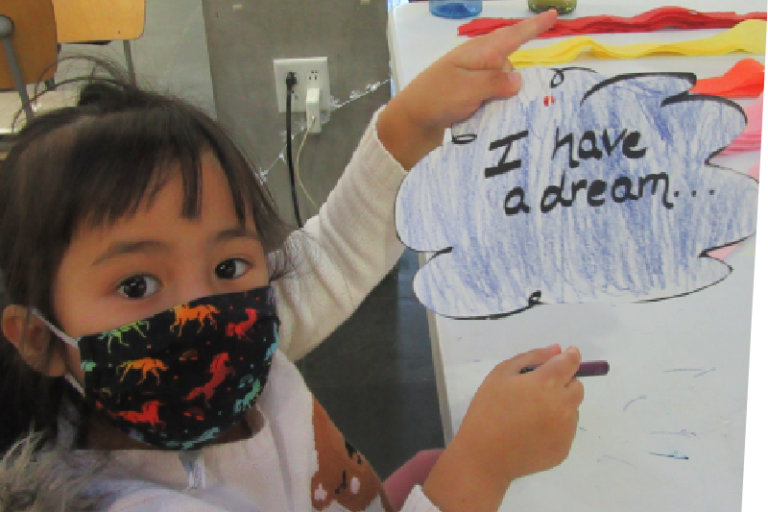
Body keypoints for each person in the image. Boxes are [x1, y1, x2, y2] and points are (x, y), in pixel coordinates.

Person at [0, 9, 584, 512]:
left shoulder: (237, 341)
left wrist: (410, 124)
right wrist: (478, 471)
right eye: (137, 284)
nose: (201, 311)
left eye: (228, 266)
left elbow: (328, 258)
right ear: (39, 339)